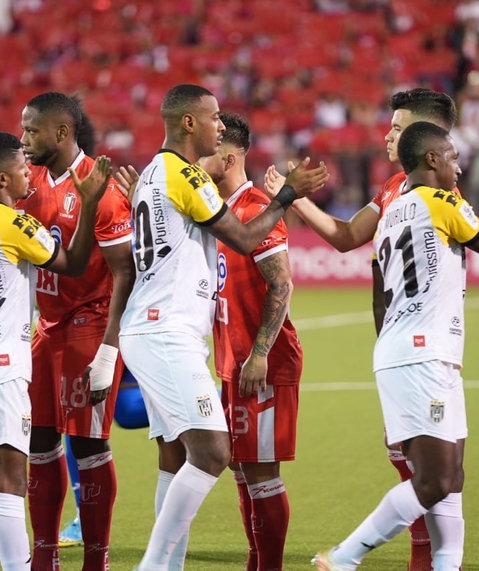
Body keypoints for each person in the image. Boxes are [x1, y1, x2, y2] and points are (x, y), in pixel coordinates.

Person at [119, 83, 328, 571]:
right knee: (213, 452)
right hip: (166, 331)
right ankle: (153, 565)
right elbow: (243, 236)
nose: (219, 125)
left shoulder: (154, 173)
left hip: (158, 330)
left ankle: (166, 566)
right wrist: (291, 195)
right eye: (213, 117)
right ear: (189, 122)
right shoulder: (184, 175)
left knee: (176, 456)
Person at [313, 121, 479, 571]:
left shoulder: (393, 210)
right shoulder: (442, 201)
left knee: (451, 477)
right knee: (435, 481)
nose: (458, 165)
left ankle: (446, 566)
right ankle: (343, 557)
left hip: (419, 351)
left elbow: (379, 289)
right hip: (421, 352)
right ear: (432, 159)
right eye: (452, 156)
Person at [0, 93, 134, 571]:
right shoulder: (32, 182)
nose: (23, 141)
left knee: (88, 444)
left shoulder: (100, 188)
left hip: (89, 324)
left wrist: (109, 351)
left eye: (31, 131)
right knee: (39, 443)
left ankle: (96, 561)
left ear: (62, 134)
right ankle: (42, 558)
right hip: (43, 329)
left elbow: (124, 272)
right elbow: (2, 215)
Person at [267, 88, 458, 570]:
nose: (387, 135)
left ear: (426, 135)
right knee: (431, 474)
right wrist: (295, 201)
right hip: (407, 352)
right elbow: (349, 237)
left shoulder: (436, 194)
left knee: (437, 476)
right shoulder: (395, 187)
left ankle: (360, 557)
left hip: (425, 349)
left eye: (397, 127)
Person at [197, 112, 303, 571]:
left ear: (230, 157)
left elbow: (282, 284)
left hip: (265, 361)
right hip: (230, 360)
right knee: (240, 470)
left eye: (205, 157)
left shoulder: (255, 207)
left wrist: (259, 353)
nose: (197, 164)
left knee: (261, 474)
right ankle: (256, 561)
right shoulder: (218, 214)